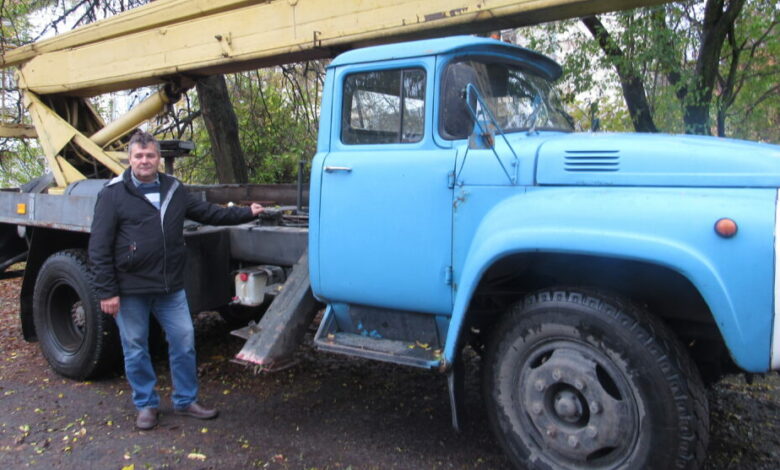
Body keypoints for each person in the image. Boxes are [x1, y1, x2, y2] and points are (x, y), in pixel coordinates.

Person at [88, 131, 263, 430]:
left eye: (150, 155)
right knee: (135, 347)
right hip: (130, 289)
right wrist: (107, 291)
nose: (145, 161)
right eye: (139, 156)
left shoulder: (173, 189)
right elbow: (99, 247)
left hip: (169, 287)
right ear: (130, 159)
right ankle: (145, 404)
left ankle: (185, 401)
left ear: (158, 158)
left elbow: (208, 213)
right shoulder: (113, 194)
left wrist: (246, 213)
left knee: (183, 341)